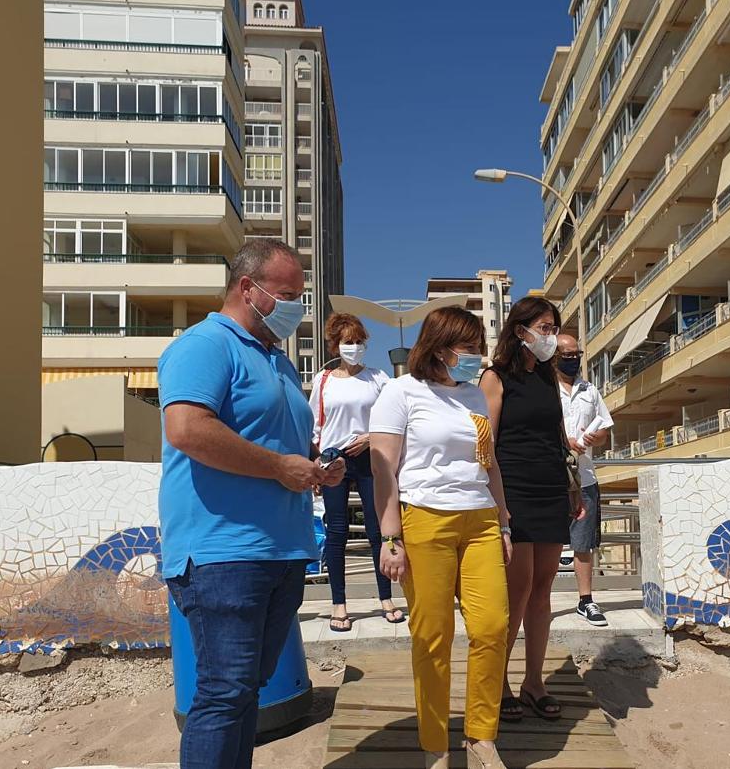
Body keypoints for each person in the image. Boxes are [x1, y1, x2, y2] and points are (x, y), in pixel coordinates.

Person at [158, 238, 346, 769]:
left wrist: (313, 463)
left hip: (280, 549)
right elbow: (189, 429)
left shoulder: (278, 362)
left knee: (245, 690)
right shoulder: (205, 344)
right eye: (288, 294)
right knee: (224, 691)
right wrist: (278, 466)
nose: (297, 306)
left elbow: (278, 445)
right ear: (248, 288)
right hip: (223, 553)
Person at [369, 305, 514, 769]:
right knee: (433, 637)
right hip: (424, 520)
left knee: (492, 627)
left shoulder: (474, 395)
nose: (476, 356)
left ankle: (480, 737)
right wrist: (390, 536)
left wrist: (504, 521)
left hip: (481, 522)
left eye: (478, 348)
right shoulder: (400, 392)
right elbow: (383, 469)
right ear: (438, 345)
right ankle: (435, 743)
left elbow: (487, 464)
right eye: (467, 348)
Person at [479, 296, 582, 723]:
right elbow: (487, 447)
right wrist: (499, 508)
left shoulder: (546, 375)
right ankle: (497, 682)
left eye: (554, 327)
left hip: (550, 489)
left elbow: (557, 435)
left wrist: (572, 482)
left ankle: (534, 682)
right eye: (544, 327)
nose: (552, 337)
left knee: (543, 593)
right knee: (515, 593)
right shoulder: (494, 377)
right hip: (514, 492)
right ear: (520, 331)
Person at [309, 312, 404, 632]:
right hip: (334, 459)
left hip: (369, 456)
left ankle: (386, 598)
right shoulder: (322, 381)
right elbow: (314, 426)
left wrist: (370, 437)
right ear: (335, 345)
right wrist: (316, 467)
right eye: (349, 342)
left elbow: (395, 419)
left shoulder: (378, 378)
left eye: (360, 341)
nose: (355, 347)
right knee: (336, 531)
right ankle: (339, 604)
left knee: (379, 529)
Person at [555, 333, 614, 626]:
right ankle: (536, 602)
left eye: (576, 353)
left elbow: (605, 429)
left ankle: (586, 600)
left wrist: (595, 436)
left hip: (585, 476)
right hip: (551, 478)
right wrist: (564, 441)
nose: (573, 359)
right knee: (547, 543)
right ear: (554, 356)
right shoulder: (545, 389)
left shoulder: (590, 390)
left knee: (583, 542)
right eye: (567, 355)